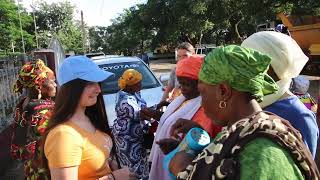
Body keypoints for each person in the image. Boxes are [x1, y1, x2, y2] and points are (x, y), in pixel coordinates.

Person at [169, 45, 319, 179]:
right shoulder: (260, 127)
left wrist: (183, 172)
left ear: (223, 91)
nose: (202, 103)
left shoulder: (261, 156)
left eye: (203, 93)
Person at [42, 56, 135, 180]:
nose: (98, 89)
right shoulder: (63, 135)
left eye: (98, 83)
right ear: (72, 88)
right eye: (90, 83)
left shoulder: (90, 119)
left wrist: (109, 162)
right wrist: (113, 177)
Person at [241, 31, 319, 158]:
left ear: (274, 67)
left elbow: (304, 170)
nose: (243, 70)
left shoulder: (299, 116)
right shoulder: (244, 101)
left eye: (250, 63)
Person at [144, 55, 222, 180]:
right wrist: (155, 114)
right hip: (169, 158)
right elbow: (170, 121)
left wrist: (179, 147)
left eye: (187, 84)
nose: (181, 88)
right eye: (180, 83)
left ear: (200, 83)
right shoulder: (181, 100)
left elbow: (208, 146)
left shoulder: (206, 109)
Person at [6, 59, 56, 180]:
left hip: (30, 170)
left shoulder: (22, 105)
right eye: (51, 81)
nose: (55, 84)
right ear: (39, 85)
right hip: (46, 173)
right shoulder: (46, 112)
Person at [112, 69, 149, 180]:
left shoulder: (134, 93)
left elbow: (144, 110)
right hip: (127, 139)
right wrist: (160, 115)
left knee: (141, 164)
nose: (141, 85)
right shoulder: (125, 100)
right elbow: (140, 115)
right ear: (131, 85)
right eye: (138, 83)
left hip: (136, 137)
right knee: (132, 168)